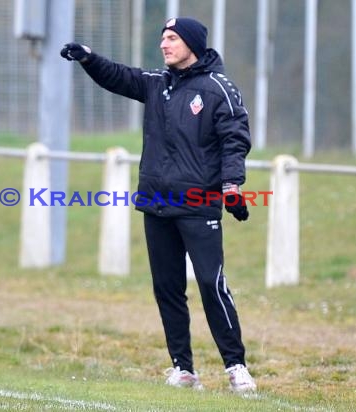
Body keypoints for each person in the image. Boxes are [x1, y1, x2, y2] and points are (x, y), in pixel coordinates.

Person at [60, 17, 256, 393]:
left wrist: (232, 185)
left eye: (171, 38)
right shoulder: (158, 85)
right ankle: (183, 369)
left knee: (211, 284)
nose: (164, 45)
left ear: (191, 44)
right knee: (167, 289)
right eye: (162, 38)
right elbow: (120, 76)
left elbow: (235, 139)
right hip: (157, 204)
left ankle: (236, 368)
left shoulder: (219, 89)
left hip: (198, 204)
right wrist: (89, 58)